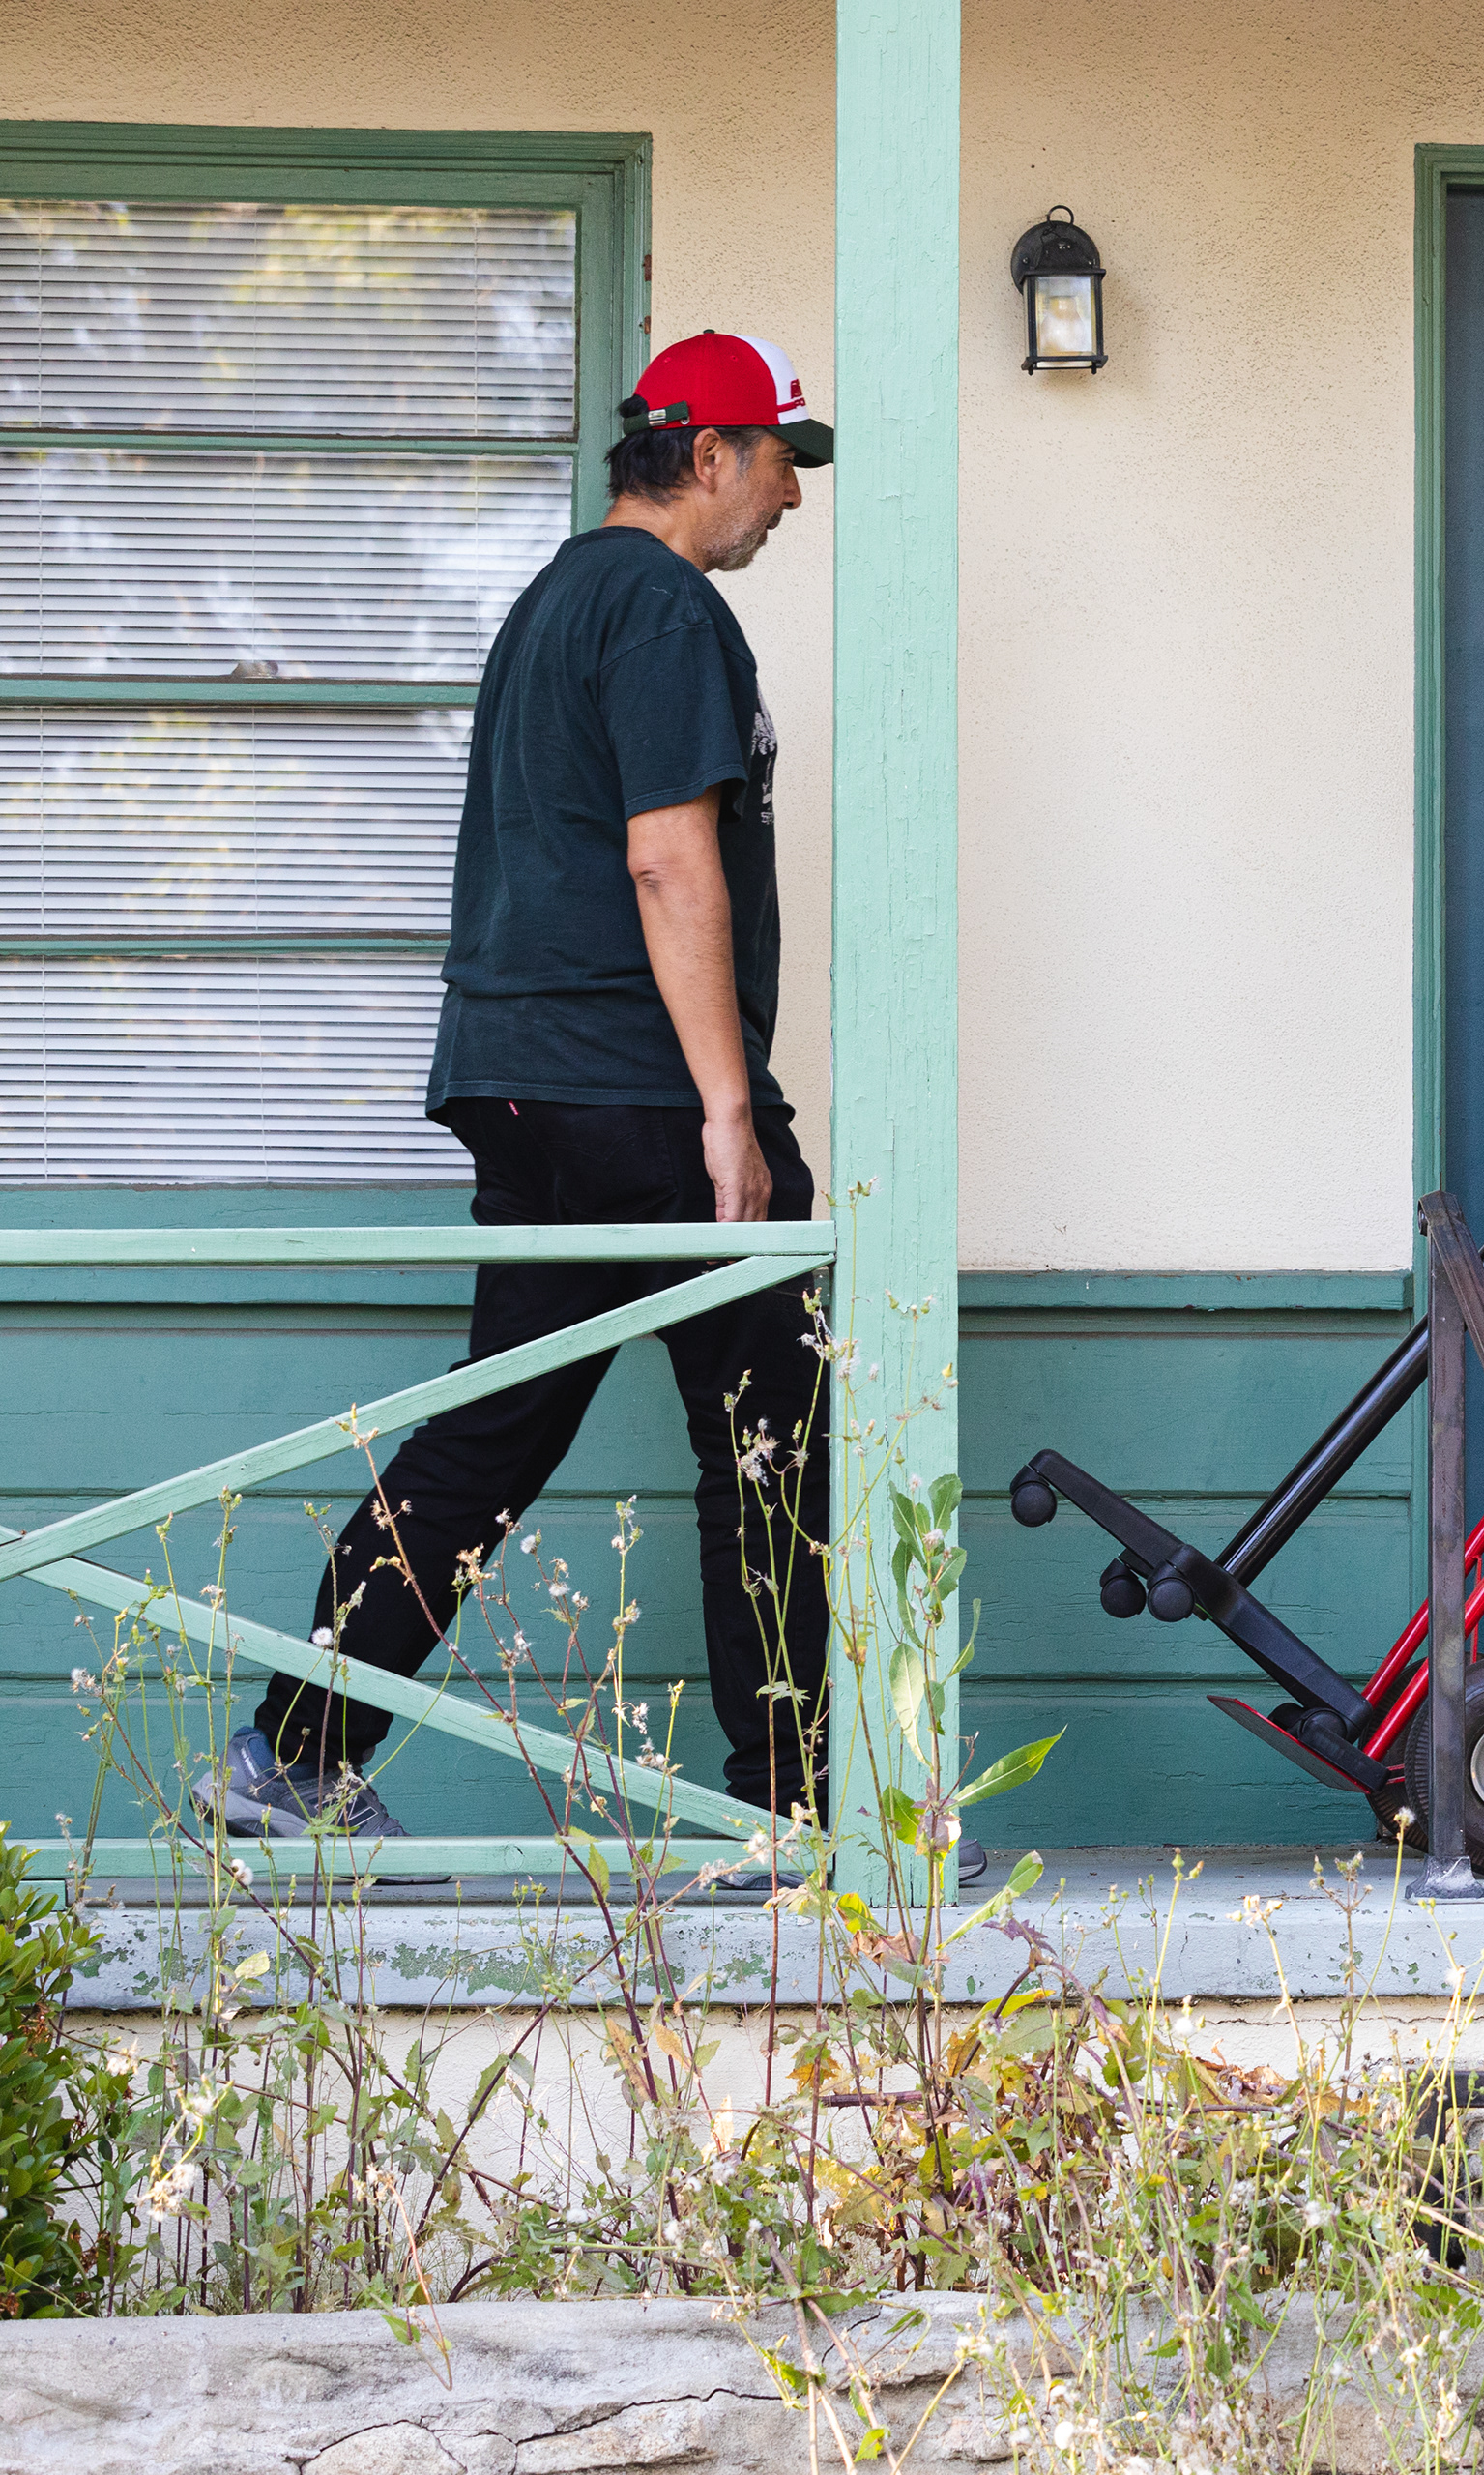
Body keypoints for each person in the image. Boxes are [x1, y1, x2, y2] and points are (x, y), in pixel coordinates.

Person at [201, 332, 838, 1849]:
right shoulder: (664, 607)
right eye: (778, 465)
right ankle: (789, 1821)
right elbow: (666, 858)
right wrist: (729, 1111)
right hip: (638, 1090)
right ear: (704, 457)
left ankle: (290, 1756)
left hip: (523, 1085)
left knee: (493, 1431)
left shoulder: (556, 598)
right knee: (768, 1439)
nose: (790, 504)